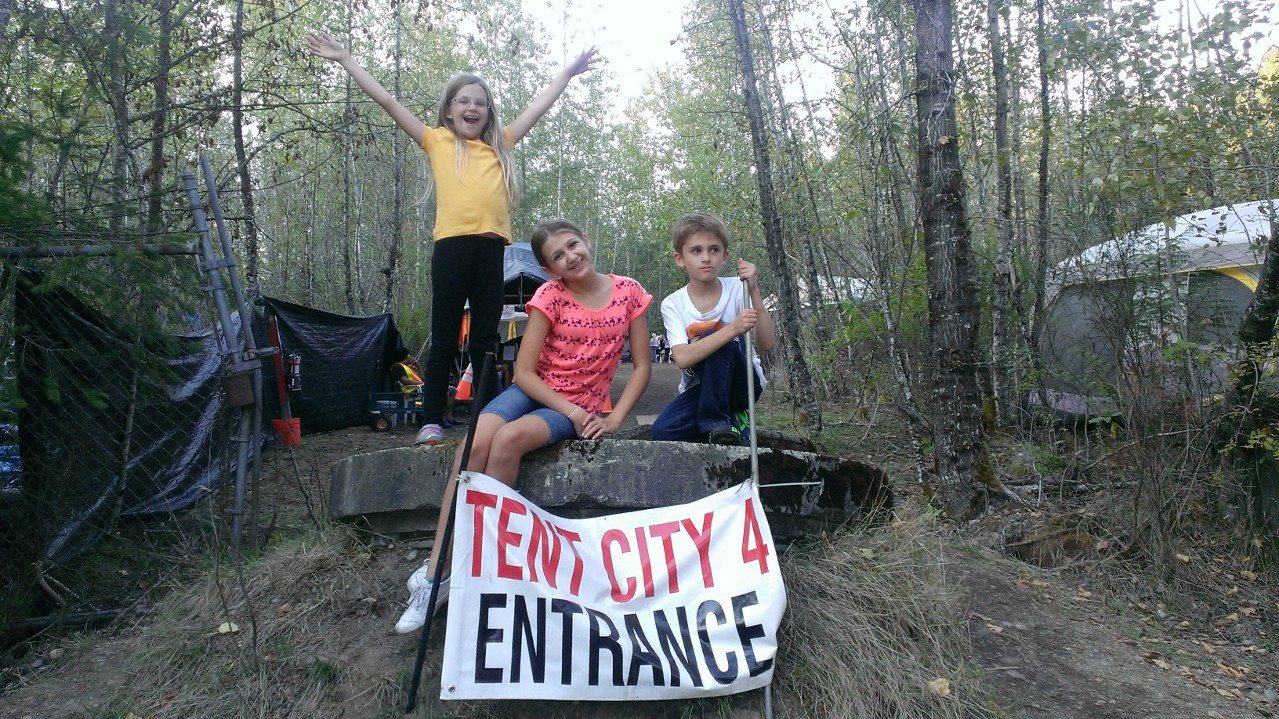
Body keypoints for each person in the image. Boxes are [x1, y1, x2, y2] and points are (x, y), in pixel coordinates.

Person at [305, 32, 599, 447]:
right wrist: (347, 59)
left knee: (483, 340)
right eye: (463, 100)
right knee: (444, 337)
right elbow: (388, 102)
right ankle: (431, 420)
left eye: (480, 102)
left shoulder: (502, 145)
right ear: (448, 111)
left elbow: (539, 106)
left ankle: (485, 417)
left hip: (490, 251)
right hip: (451, 251)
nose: (472, 107)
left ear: (489, 113)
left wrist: (567, 74)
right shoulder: (436, 141)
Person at [394, 218, 652, 634]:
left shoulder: (628, 293)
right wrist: (567, 412)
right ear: (550, 269)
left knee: (508, 441)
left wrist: (615, 416)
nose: (571, 257)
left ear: (586, 240)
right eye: (558, 256)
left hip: (581, 402)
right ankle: (436, 572)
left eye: (573, 245)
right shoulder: (550, 295)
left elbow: (642, 365)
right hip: (537, 391)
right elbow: (526, 374)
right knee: (471, 446)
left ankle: (487, 565)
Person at [650, 212, 776, 446]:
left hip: (742, 384)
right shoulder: (673, 303)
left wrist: (754, 290)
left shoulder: (738, 290)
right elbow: (682, 358)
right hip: (701, 390)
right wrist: (732, 329)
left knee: (714, 340)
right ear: (680, 258)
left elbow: (767, 343)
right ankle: (732, 422)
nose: (706, 258)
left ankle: (717, 424)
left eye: (714, 250)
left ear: (725, 256)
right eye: (696, 251)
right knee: (663, 430)